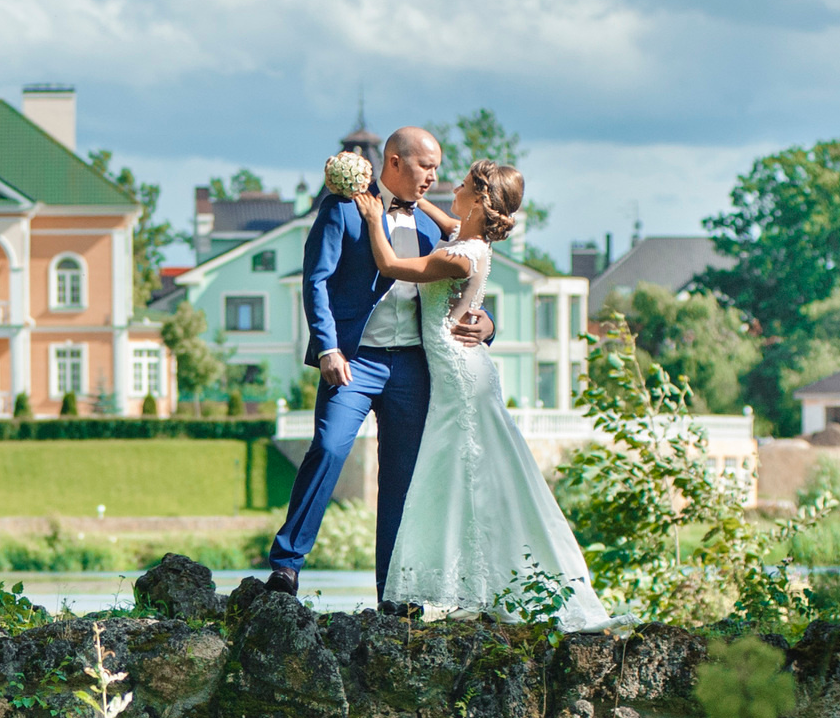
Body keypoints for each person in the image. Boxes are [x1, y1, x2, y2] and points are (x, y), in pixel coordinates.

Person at [349, 162, 613, 631]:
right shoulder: (468, 240)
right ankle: (476, 584)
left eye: (464, 186)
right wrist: (409, 201)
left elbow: (391, 266)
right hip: (464, 370)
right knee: (473, 472)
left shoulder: (458, 256)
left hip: (458, 373)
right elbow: (448, 222)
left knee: (466, 474)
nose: (452, 187)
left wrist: (374, 218)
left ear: (479, 201)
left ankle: (477, 585)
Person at [263, 126, 492, 599]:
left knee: (401, 479)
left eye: (437, 168)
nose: (434, 177)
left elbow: (468, 284)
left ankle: (393, 591)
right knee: (327, 448)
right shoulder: (343, 207)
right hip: (352, 360)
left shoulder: (435, 226)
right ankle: (286, 567)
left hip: (413, 366)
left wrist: (488, 325)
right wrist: (328, 348)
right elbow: (317, 281)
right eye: (426, 166)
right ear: (394, 162)